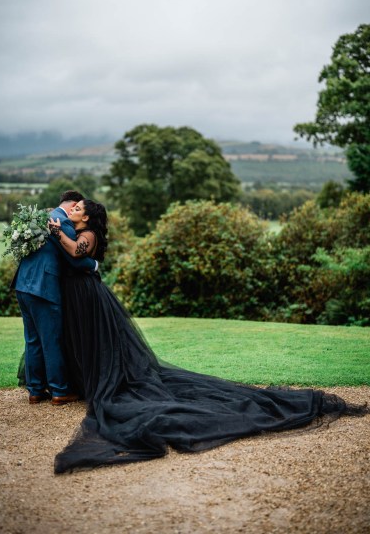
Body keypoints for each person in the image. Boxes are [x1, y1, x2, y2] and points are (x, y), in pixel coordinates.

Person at [48, 199, 367, 474]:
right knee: (86, 343)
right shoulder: (77, 227)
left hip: (89, 296)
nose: (72, 209)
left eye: (77, 207)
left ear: (87, 217)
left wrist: (56, 228)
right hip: (80, 295)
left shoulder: (85, 234)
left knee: (113, 358)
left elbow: (78, 251)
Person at [13, 190, 97, 406]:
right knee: (52, 340)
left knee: (33, 339)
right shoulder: (62, 222)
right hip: (43, 287)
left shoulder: (40, 216)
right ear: (72, 206)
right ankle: (60, 391)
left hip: (23, 283)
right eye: (77, 207)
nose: (76, 211)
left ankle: (35, 390)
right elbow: (75, 259)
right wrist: (95, 265)